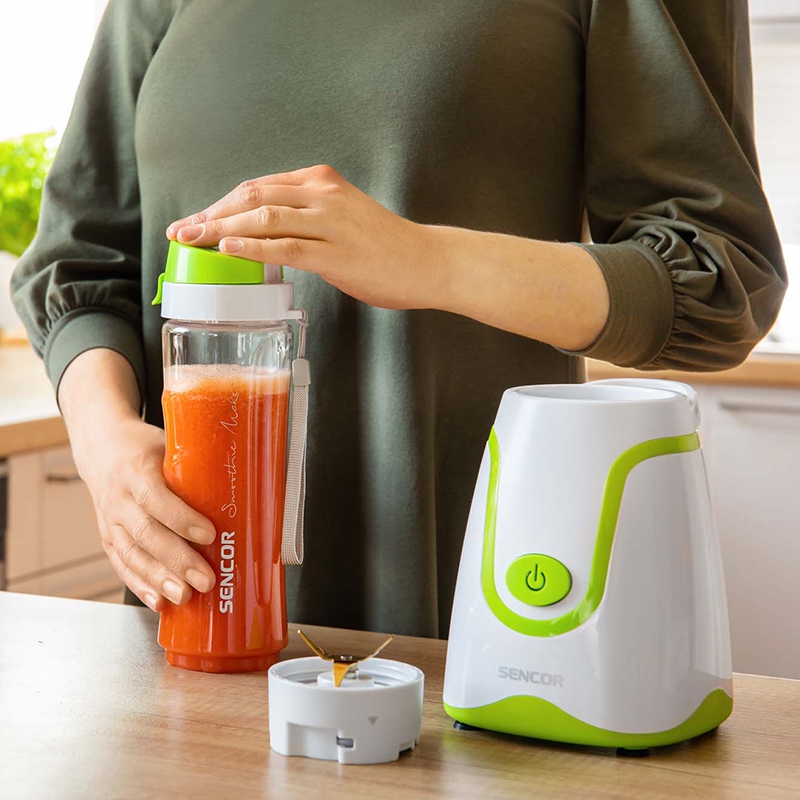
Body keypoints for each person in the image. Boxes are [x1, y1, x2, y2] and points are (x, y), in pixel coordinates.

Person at [11, 0, 785, 638]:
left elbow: (720, 277)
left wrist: (428, 259)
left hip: (475, 627)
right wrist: (104, 443)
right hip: (194, 616)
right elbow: (80, 265)